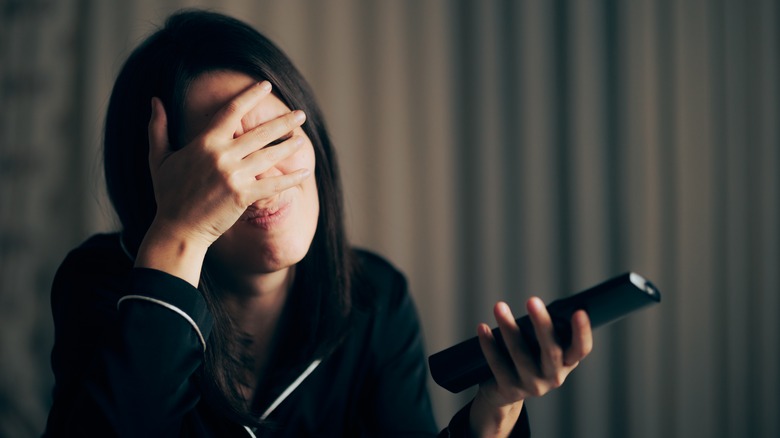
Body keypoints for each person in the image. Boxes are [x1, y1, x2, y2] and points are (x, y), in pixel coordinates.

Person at [44, 9, 592, 437]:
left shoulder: (374, 296)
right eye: (224, 160)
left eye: (275, 137)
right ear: (161, 186)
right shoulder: (102, 285)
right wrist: (178, 236)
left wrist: (495, 410)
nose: (264, 175)